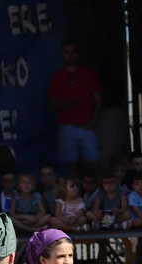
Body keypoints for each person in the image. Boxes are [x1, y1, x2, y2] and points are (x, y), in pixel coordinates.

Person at [48, 41, 102, 174]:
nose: (70, 55)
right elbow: (52, 103)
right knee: (70, 166)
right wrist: (66, 104)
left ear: (77, 53)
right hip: (67, 126)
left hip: (86, 125)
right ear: (63, 54)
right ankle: (74, 187)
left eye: (73, 52)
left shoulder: (88, 73)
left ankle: (95, 186)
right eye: (67, 52)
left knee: (93, 163)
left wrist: (94, 120)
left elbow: (98, 100)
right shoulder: (57, 77)